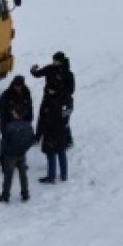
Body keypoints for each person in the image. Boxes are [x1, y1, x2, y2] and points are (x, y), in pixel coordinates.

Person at [31, 51, 75, 183]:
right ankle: (39, 136)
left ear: (61, 61)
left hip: (60, 104)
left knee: (59, 130)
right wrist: (33, 70)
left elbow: (71, 90)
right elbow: (38, 74)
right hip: (48, 101)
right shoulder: (50, 69)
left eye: (56, 60)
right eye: (53, 60)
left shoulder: (68, 74)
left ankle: (67, 140)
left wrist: (56, 92)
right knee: (43, 119)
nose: (54, 62)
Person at [0, 117, 36, 203]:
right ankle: (25, 194)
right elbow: (32, 139)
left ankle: (5, 195)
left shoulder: (10, 127)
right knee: (23, 175)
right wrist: (24, 149)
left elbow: (4, 142)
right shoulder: (28, 125)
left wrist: (2, 155)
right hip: (21, 153)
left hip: (11, 155)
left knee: (8, 176)